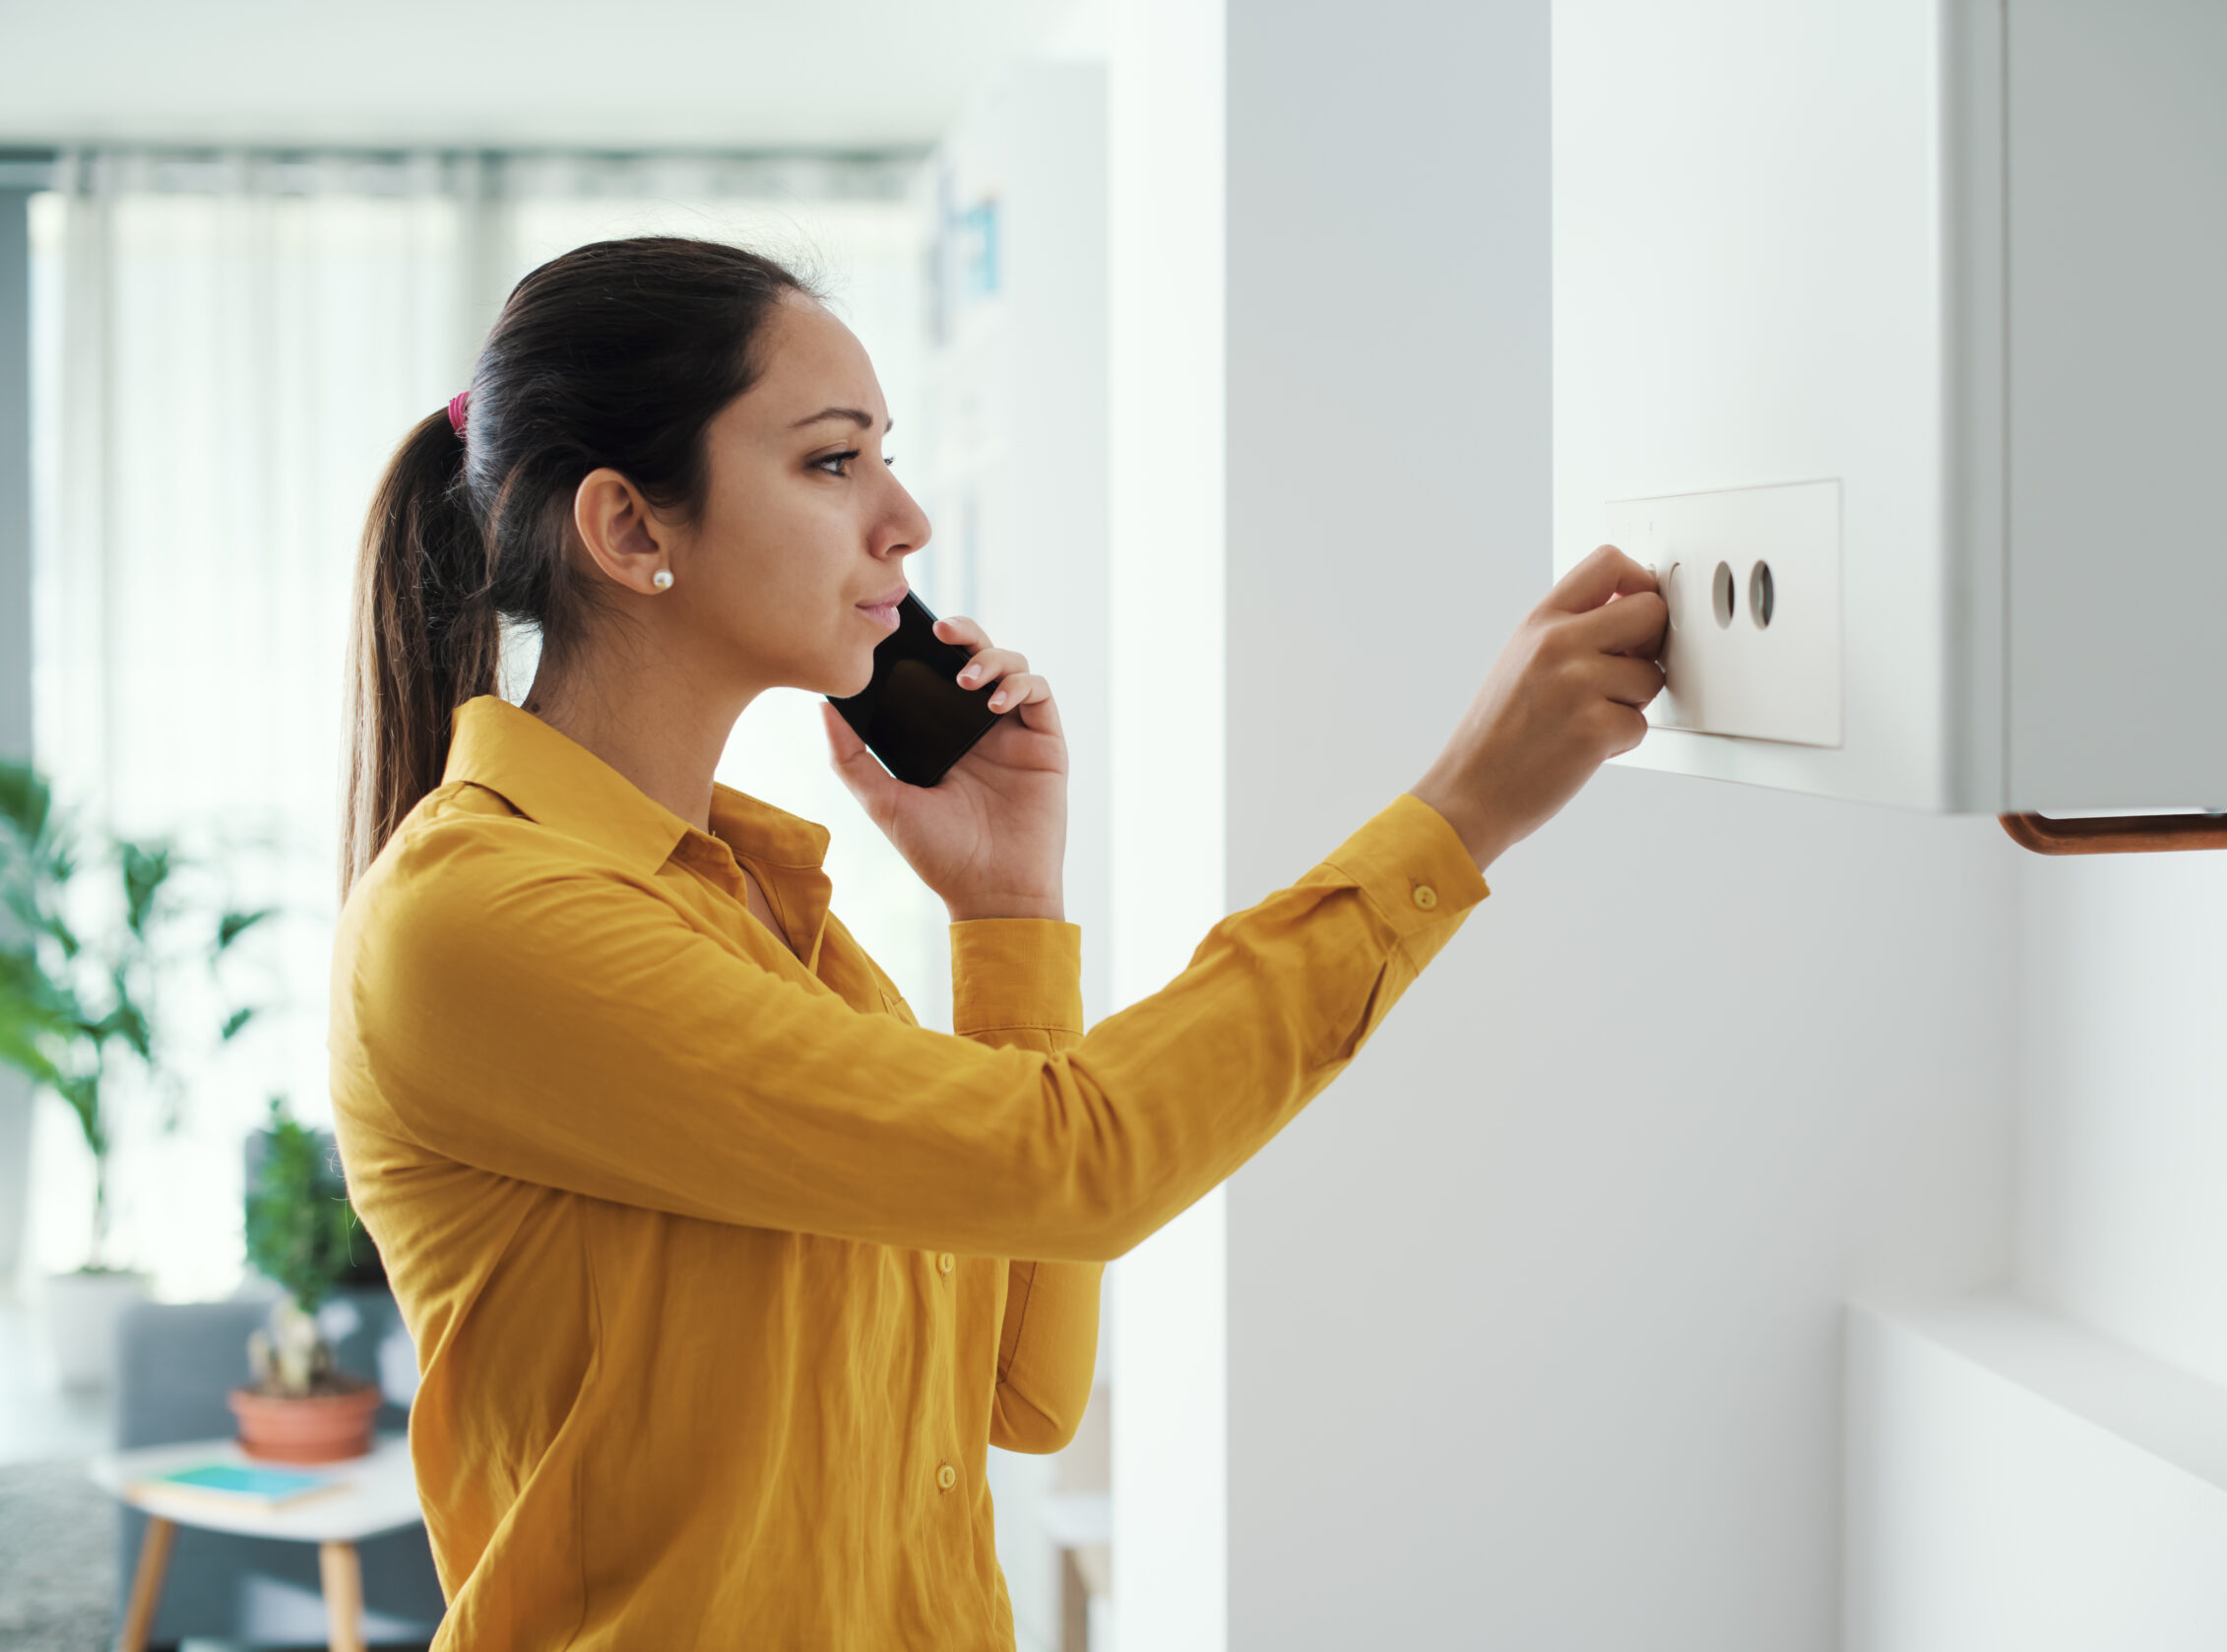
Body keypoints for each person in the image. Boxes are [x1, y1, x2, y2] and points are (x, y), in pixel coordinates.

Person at [331, 235, 1665, 1648]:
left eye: (883, 457)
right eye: (834, 462)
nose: (902, 518)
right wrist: (1456, 819)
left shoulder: (760, 915)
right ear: (631, 528)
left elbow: (1023, 1388)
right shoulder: (482, 919)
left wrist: (1009, 913)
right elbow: (1074, 1165)